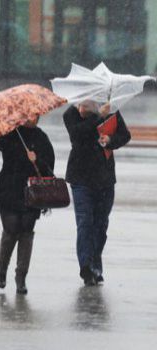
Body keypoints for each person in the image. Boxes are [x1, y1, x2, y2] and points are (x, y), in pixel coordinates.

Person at [64, 101, 130, 286]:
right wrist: (97, 116)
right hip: (81, 178)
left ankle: (95, 264)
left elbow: (125, 135)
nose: (83, 107)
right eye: (82, 104)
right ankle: (85, 267)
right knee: (85, 222)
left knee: (100, 224)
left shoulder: (111, 111)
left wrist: (111, 140)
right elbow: (77, 135)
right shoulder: (70, 114)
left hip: (105, 178)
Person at [0, 117, 55, 294]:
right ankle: (2, 270)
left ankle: (21, 277)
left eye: (36, 116)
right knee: (11, 230)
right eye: (29, 115)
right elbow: (1, 144)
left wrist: (36, 160)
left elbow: (49, 167)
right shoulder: (11, 133)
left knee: (26, 232)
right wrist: (7, 126)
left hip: (32, 192)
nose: (33, 119)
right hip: (8, 188)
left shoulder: (41, 137)